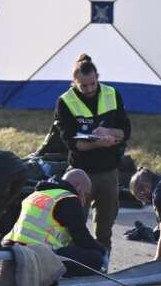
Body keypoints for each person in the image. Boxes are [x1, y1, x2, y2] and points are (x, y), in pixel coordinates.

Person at [52, 54, 130, 255]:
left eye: (92, 84)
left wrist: (109, 134)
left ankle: (102, 265)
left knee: (105, 228)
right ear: (74, 83)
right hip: (80, 173)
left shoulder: (112, 94)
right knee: (73, 227)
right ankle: (73, 265)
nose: (89, 89)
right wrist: (96, 143)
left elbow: (125, 131)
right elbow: (71, 143)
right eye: (83, 86)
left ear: (98, 77)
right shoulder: (65, 102)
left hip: (108, 172)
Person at [1, 167, 107, 276]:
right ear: (78, 188)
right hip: (39, 252)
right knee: (94, 258)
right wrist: (102, 251)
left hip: (13, 247)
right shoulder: (68, 198)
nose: (84, 198)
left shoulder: (36, 194)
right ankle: (66, 285)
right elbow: (82, 238)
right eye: (85, 194)